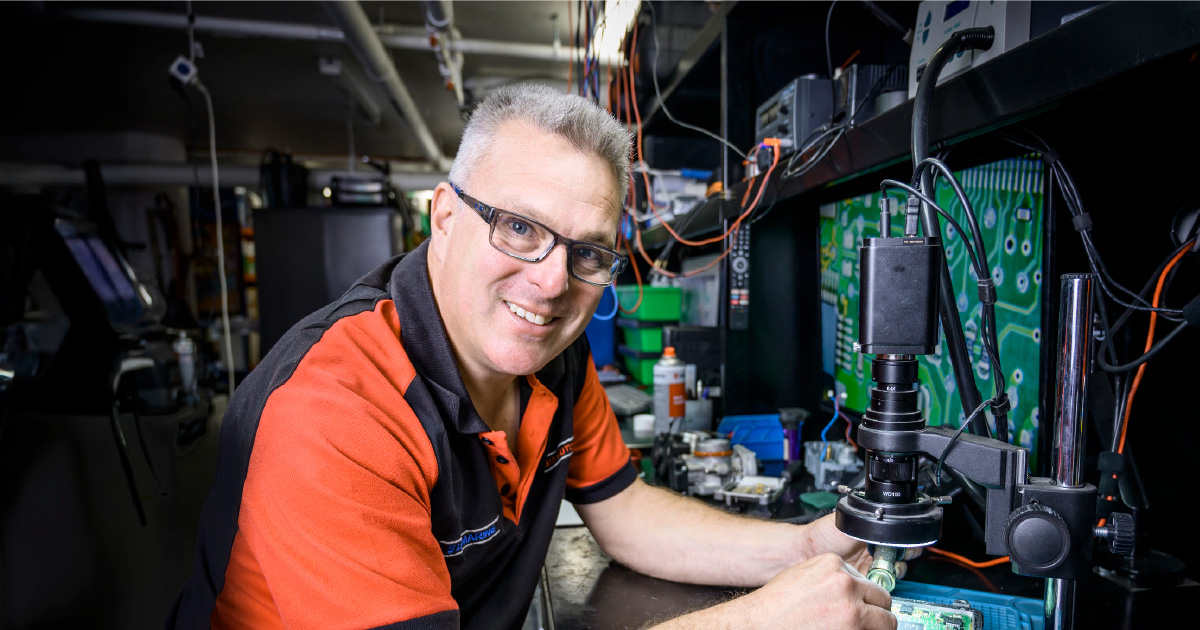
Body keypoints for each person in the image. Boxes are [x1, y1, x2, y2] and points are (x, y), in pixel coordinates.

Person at [169, 84, 900, 630]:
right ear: (446, 218)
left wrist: (800, 546)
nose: (552, 282)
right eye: (519, 227)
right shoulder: (334, 411)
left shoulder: (551, 358)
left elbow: (625, 513)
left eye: (588, 252)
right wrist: (756, 621)